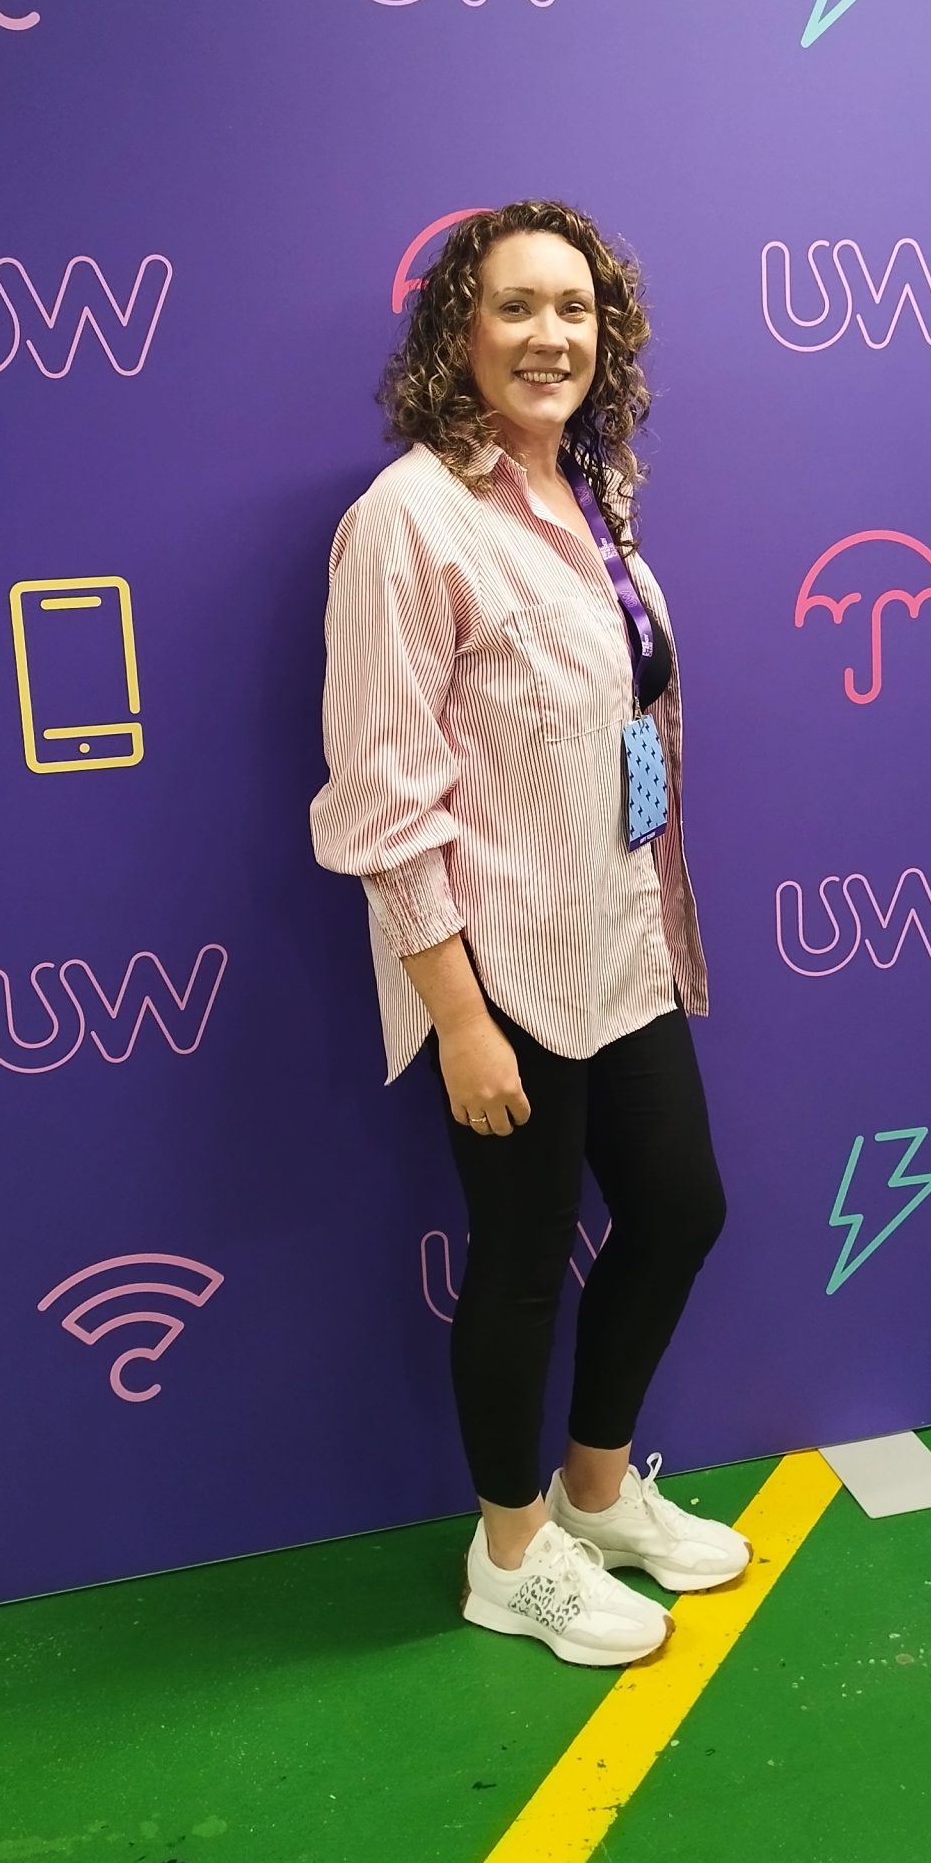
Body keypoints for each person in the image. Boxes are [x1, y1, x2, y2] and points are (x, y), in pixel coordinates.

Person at [310, 201, 752, 1669]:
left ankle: (596, 1494)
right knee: (517, 1256)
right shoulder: (410, 521)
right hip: (498, 966)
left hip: (619, 943)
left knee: (679, 1207)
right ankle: (508, 1555)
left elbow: (618, 720)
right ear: (459, 331)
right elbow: (383, 800)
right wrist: (459, 1015)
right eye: (516, 307)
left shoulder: (587, 490)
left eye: (577, 308)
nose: (550, 335)